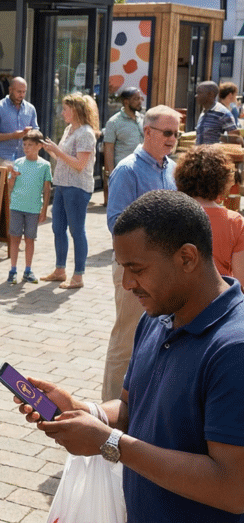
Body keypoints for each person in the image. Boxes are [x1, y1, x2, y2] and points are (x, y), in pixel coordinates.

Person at [15, 190, 244, 523]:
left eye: (136, 269)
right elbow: (131, 406)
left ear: (187, 258)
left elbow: (232, 488)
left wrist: (110, 443)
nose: (126, 283)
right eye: (123, 268)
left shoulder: (234, 349)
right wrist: (84, 410)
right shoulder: (156, 317)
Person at [101, 104, 179, 401]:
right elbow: (116, 223)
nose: (173, 139)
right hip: (135, 268)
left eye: (176, 133)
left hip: (166, 267)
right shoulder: (128, 170)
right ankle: (109, 409)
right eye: (167, 132)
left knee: (157, 337)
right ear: (148, 132)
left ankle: (141, 403)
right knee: (128, 338)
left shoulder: (171, 168)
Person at [41, 92, 99, 290]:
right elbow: (64, 159)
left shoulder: (86, 133)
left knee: (76, 230)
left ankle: (78, 275)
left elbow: (79, 165)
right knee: (58, 228)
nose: (62, 112)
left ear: (75, 110)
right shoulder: (69, 129)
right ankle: (60, 270)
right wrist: (51, 150)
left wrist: (57, 151)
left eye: (65, 109)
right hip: (62, 184)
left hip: (77, 187)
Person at [175, 145, 244, 284]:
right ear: (223, 180)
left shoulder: (172, 216)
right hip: (221, 295)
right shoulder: (235, 222)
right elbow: (240, 280)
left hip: (181, 294)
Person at [6, 129, 52, 285]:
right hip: (16, 206)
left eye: (30, 145)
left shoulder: (45, 165)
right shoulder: (18, 163)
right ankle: (13, 270)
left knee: (30, 239)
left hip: (33, 208)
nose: (26, 148)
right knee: (15, 238)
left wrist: (44, 210)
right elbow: (10, 186)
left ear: (39, 146)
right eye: (24, 144)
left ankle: (27, 270)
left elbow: (47, 189)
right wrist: (12, 177)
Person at [0, 76, 38, 166]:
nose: (21, 95)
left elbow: (36, 130)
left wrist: (30, 133)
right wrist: (12, 136)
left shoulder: (30, 109)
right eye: (19, 92)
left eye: (24, 92)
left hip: (25, 159)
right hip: (3, 159)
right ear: (10, 90)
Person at [103, 87, 145, 177]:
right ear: (126, 102)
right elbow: (108, 149)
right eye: (136, 99)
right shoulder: (114, 122)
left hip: (142, 171)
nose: (140, 102)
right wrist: (110, 174)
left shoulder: (142, 119)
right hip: (124, 173)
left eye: (140, 98)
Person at [195, 80, 240, 145]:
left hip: (214, 152)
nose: (196, 96)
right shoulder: (204, 112)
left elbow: (235, 141)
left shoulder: (223, 114)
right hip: (200, 151)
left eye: (200, 93)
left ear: (211, 94)